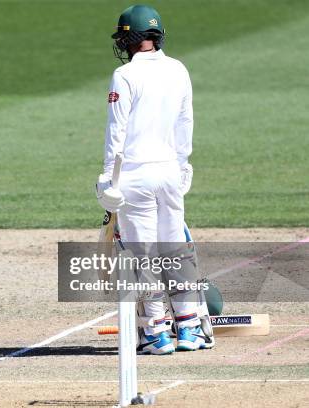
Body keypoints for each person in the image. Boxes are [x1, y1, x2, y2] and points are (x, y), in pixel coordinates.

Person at [96, 5, 214, 355]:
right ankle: (191, 328)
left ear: (128, 39)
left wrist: (107, 179)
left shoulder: (125, 75)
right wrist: (182, 166)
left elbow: (116, 132)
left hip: (134, 175)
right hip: (169, 172)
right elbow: (185, 122)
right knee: (175, 250)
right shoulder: (178, 69)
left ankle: (157, 334)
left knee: (142, 256)